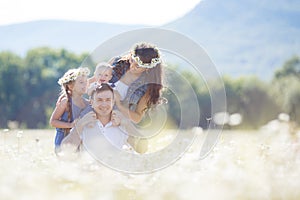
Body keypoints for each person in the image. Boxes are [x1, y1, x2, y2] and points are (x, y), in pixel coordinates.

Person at [61, 83, 147, 153]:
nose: (104, 104)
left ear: (113, 102)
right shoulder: (84, 124)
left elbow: (142, 149)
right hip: (90, 171)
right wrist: (79, 125)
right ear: (91, 102)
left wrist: (127, 124)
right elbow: (65, 151)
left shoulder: (122, 125)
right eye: (99, 100)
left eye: (108, 100)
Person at [109, 42, 165, 124]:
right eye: (132, 60)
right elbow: (95, 80)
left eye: (137, 66)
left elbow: (137, 117)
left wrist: (119, 105)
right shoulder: (116, 62)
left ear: (147, 68)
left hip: (118, 123)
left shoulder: (148, 88)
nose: (132, 66)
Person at [49, 67, 90, 152]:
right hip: (63, 140)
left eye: (86, 82)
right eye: (81, 82)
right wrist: (70, 125)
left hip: (80, 143)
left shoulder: (87, 104)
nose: (85, 85)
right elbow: (53, 121)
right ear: (71, 86)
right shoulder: (66, 102)